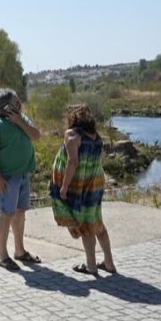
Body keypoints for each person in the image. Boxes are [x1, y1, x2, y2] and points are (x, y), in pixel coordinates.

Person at [49, 103, 117, 275]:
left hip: (80, 185)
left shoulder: (72, 135)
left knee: (87, 225)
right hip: (94, 183)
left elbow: (73, 162)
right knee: (97, 223)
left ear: (73, 118)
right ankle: (108, 263)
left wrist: (63, 187)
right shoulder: (96, 136)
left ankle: (91, 266)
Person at [0, 88, 43, 271]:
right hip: (8, 178)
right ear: (7, 105)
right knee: (7, 213)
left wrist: (19, 121)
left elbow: (36, 135)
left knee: (20, 212)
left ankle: (20, 251)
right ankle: (3, 256)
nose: (20, 104)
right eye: (17, 101)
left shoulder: (22, 118)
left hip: (25, 174)